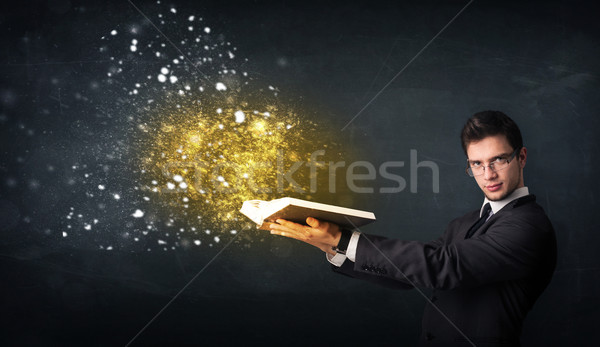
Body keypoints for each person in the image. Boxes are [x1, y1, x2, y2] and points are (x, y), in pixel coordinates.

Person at [269, 111, 557, 346]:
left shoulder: (529, 225)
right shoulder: (465, 222)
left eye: (499, 160)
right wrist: (336, 248)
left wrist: (345, 239)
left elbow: (444, 266)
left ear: (521, 158)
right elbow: (411, 275)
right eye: (477, 164)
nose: (488, 174)